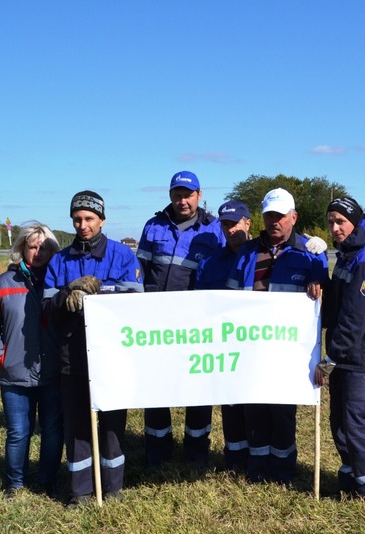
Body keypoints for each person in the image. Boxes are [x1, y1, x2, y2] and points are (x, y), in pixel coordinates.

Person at [44, 191, 144, 506]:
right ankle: (80, 492)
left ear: (101, 219)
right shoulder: (60, 259)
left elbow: (137, 303)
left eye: (89, 218)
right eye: (77, 219)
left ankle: (112, 489)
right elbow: (46, 307)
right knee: (77, 429)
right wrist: (66, 295)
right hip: (72, 358)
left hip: (112, 357)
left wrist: (101, 300)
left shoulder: (122, 255)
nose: (82, 225)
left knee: (113, 427)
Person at [227, 188, 328, 486]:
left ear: (293, 217)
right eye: (270, 215)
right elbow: (231, 294)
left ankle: (283, 471)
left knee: (283, 410)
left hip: (288, 350)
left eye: (281, 216)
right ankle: (257, 470)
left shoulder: (310, 252)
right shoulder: (247, 252)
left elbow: (325, 293)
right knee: (255, 408)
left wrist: (318, 281)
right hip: (251, 344)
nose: (275, 222)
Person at [136, 171, 226, 470]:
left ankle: (196, 450)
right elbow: (139, 272)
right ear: (170, 195)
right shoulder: (153, 226)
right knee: (156, 386)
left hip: (196, 324)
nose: (182, 200)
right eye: (177, 194)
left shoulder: (214, 230)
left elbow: (232, 263)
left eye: (188, 194)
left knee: (198, 387)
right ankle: (157, 449)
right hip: (155, 323)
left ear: (199, 195)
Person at [0, 222, 64, 500]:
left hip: (53, 372)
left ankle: (47, 481)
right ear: (22, 248)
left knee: (52, 431)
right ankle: (15, 485)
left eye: (44, 247)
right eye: (32, 246)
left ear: (53, 250)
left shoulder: (58, 281)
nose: (38, 252)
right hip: (15, 372)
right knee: (18, 432)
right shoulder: (4, 283)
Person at [314, 197, 365, 500]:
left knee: (353, 421)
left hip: (359, 355)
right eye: (331, 222)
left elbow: (355, 318)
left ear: (354, 222)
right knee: (339, 422)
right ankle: (350, 477)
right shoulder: (348, 254)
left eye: (340, 222)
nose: (335, 228)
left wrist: (329, 360)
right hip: (343, 353)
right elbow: (336, 304)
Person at [194, 200, 252, 472]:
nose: (230, 230)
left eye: (235, 224)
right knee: (230, 401)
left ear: (248, 223)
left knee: (256, 401)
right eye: (225, 225)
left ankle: (260, 457)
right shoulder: (210, 263)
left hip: (256, 342)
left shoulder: (263, 255)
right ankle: (235, 458)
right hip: (223, 343)